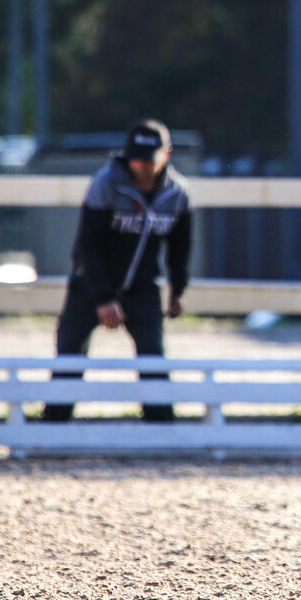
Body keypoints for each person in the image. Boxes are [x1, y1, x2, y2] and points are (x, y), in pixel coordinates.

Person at [44, 119, 193, 422]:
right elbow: (88, 245)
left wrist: (177, 290)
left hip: (142, 287)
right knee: (69, 355)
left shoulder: (177, 194)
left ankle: (160, 426)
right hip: (91, 284)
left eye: (149, 161)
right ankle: (54, 424)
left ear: (167, 154)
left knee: (153, 357)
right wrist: (103, 297)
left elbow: (180, 248)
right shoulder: (106, 184)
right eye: (137, 159)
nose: (143, 168)